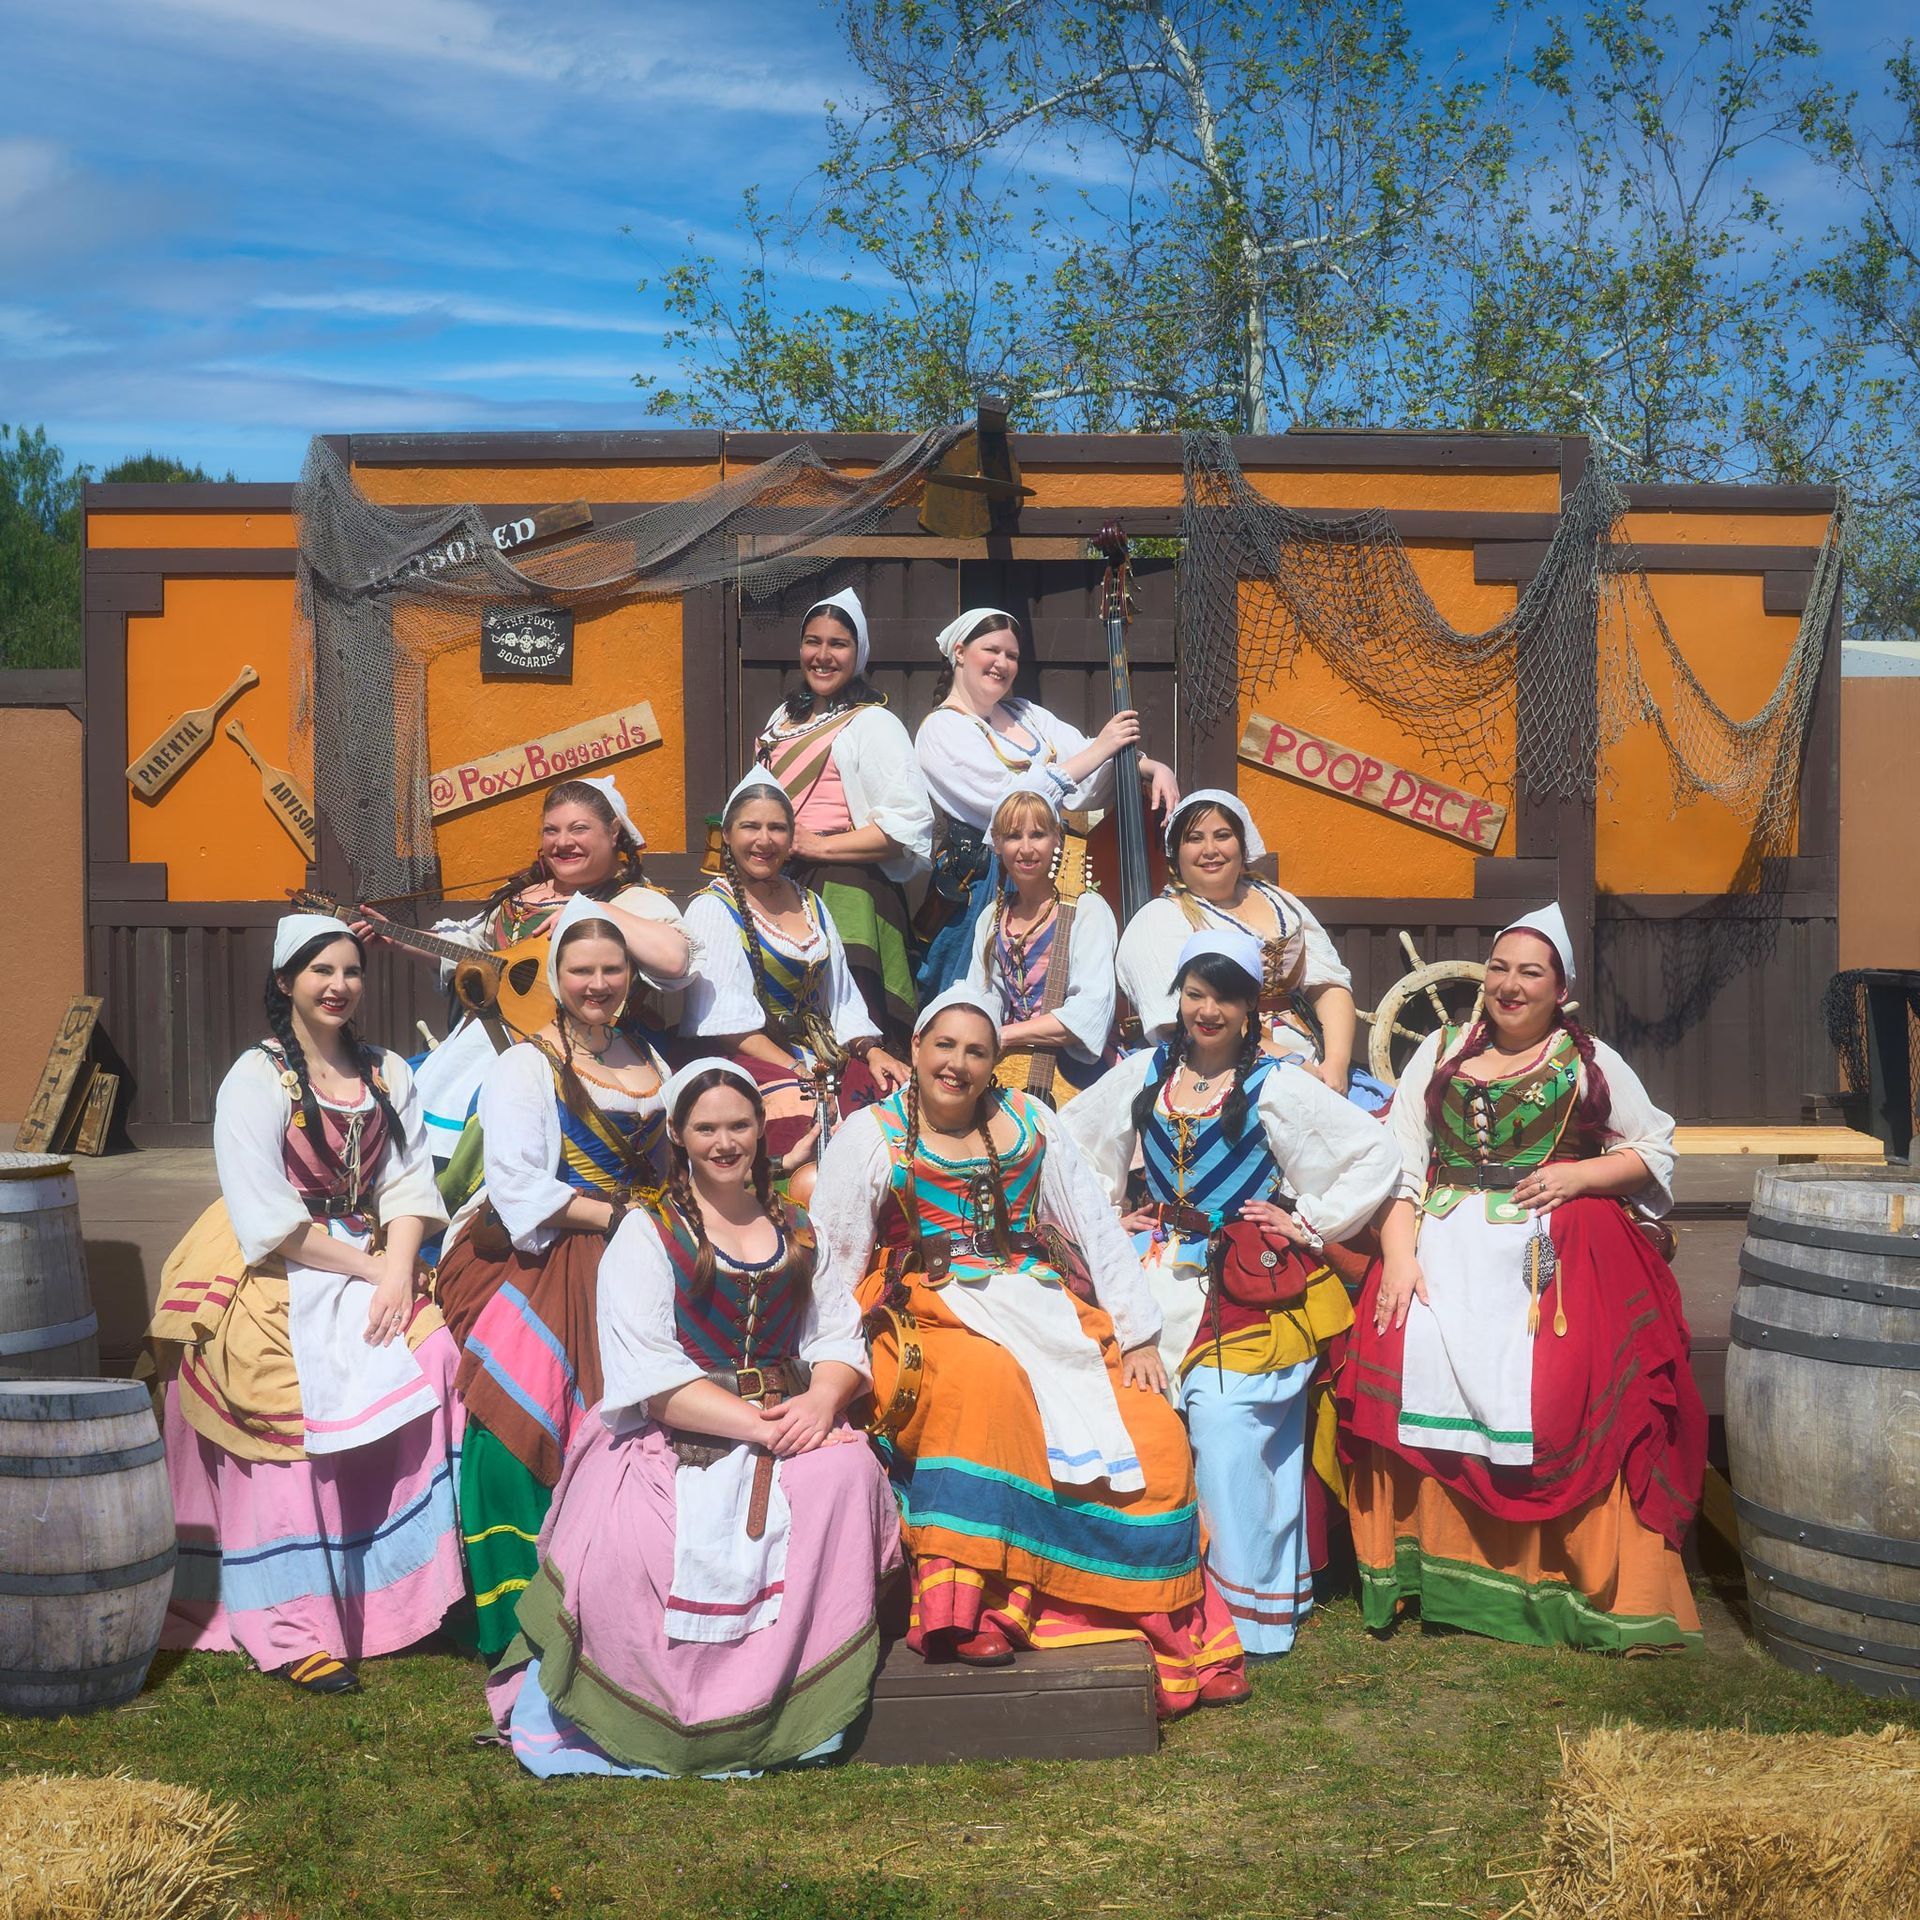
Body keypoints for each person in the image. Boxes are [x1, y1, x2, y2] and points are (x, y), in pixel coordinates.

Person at [811, 984, 1248, 1718]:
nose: (957, 1063)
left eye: (976, 1051)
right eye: (943, 1046)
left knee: (1153, 1429)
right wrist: (833, 1370)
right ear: (914, 1052)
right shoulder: (869, 1135)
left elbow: (1097, 1227)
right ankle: (975, 1609)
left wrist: (1137, 1335)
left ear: (996, 1063)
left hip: (1040, 1307)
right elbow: (835, 1260)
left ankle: (1180, 1630)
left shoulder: (1030, 1121)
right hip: (922, 1314)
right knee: (986, 1390)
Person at [487, 1058, 900, 1778]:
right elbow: (649, 1374)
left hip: (788, 1415)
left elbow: (837, 1334)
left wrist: (821, 1401)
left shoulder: (799, 1230)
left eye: (739, 1125)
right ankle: (656, 1711)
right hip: (672, 1432)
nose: (724, 1142)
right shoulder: (648, 1234)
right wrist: (759, 1427)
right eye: (706, 1127)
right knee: (639, 1535)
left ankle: (802, 1707)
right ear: (677, 1134)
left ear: (762, 1131)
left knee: (849, 1473)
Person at [1338, 905, 1706, 1652]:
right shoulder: (1440, 1048)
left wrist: (1578, 1175)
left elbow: (1654, 1149)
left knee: (1569, 1381)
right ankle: (1428, 1575)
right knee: (1392, 1341)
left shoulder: (1589, 1060)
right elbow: (1402, 1163)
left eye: (1529, 972)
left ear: (1559, 988)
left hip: (1549, 1252)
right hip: (1439, 1243)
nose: (1510, 985)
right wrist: (1400, 1261)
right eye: (1500, 968)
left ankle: (1577, 1588)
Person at [1060, 928, 1401, 1655]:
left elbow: (1374, 1151)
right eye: (1195, 993)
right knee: (1135, 1422)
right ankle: (1157, 1596)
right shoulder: (1145, 1071)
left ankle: (1249, 1612)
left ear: (1251, 1010)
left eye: (1223, 997)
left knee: (1226, 1429)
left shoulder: (1276, 1084)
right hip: (1154, 1271)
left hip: (1246, 1284)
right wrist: (1106, 1210)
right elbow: (1074, 1143)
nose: (1205, 1010)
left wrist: (1307, 1220)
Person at [146, 914, 462, 1693]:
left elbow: (410, 1182)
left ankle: (411, 1589)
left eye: (351, 971)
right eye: (320, 971)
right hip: (275, 1261)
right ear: (285, 982)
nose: (338, 986)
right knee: (279, 1395)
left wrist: (396, 1267)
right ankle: (293, 1626)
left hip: (371, 1256)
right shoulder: (254, 1078)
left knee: (440, 1356)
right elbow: (266, 1218)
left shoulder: (387, 1069)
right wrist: (369, 1266)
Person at [433, 893, 673, 1657]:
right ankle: (525, 1607)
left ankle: (620, 1589)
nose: (597, 984)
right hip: (551, 1249)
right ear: (556, 976)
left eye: (611, 969)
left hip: (643, 1242)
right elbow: (519, 1188)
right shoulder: (524, 1067)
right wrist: (622, 1221)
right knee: (530, 1410)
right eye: (581, 971)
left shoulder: (648, 1057)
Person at [360, 774, 693, 1163]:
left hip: (580, 1057)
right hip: (481, 1044)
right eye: (551, 830)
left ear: (614, 832)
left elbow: (674, 959)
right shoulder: (520, 895)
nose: (562, 842)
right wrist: (404, 941)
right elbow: (480, 954)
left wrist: (592, 910)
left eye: (579, 829)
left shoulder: (634, 901)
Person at [913, 608, 1178, 998]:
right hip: (986, 884)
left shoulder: (1026, 714)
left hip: (1056, 874)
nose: (1003, 663)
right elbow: (1012, 803)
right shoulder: (941, 729)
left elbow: (1089, 766)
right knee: (977, 997)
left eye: (1012, 656)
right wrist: (1102, 748)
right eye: (992, 650)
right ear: (959, 652)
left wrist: (1149, 767)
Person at [683, 770, 908, 1205]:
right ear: (727, 835)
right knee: (800, 1109)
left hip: (818, 1053)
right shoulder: (713, 908)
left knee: (895, 1096)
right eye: (750, 826)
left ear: (791, 838)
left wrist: (874, 1051)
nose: (763, 840)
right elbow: (725, 1023)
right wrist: (796, 1068)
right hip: (747, 1053)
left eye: (776, 828)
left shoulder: (810, 901)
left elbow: (840, 998)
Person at [1116, 788, 1388, 1112]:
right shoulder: (1159, 919)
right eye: (1194, 838)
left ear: (1242, 846)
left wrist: (1336, 1065)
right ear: (1175, 851)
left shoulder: (1280, 902)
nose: (1210, 850)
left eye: (1222, 835)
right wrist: (1289, 1064)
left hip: (1312, 1062)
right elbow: (1185, 1021)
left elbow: (1328, 983)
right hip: (1215, 1065)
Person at [752, 588, 932, 1039]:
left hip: (846, 885)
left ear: (859, 653)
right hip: (778, 880)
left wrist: (820, 845)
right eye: (813, 641)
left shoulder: (872, 723)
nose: (822, 655)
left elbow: (907, 825)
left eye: (838, 644)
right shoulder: (782, 717)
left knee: (850, 1020)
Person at [962, 776, 1119, 1107]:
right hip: (1009, 1066)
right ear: (997, 842)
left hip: (1076, 1068)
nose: (1027, 848)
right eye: (1014, 836)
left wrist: (1002, 1035)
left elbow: (1091, 1012)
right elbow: (983, 996)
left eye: (1038, 835)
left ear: (1056, 840)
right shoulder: (993, 916)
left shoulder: (1086, 909)